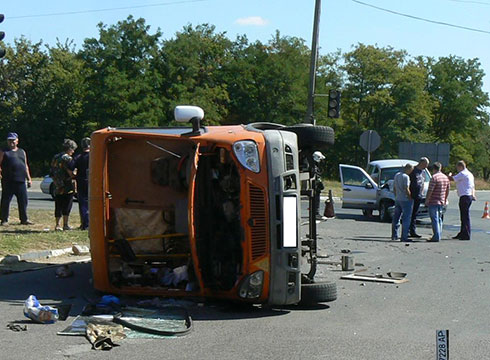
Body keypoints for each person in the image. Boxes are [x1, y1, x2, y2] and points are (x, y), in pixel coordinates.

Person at [0, 132, 34, 226]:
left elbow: (25, 165)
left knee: (23, 201)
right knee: (6, 200)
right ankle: (4, 219)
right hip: (8, 180)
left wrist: (29, 178)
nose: (11, 142)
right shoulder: (3, 151)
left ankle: (24, 219)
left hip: (21, 180)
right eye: (9, 140)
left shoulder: (22, 151)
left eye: (13, 140)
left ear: (17, 141)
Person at [51, 139, 77, 231]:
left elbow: (52, 172)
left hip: (57, 185)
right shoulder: (68, 159)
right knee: (67, 205)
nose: (73, 152)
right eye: (73, 149)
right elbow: (71, 172)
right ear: (69, 149)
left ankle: (57, 225)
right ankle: (65, 224)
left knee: (58, 205)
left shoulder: (56, 157)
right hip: (67, 185)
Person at [448, 160, 476, 240]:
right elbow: (472, 186)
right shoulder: (469, 174)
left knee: (465, 216)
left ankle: (466, 234)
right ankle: (462, 232)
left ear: (460, 166)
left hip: (465, 196)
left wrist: (449, 175)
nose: (457, 169)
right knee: (463, 216)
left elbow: (451, 178)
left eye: (457, 167)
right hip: (468, 196)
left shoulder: (463, 173)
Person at [425, 162, 450, 242]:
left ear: (433, 169)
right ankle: (439, 234)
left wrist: (427, 199)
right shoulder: (445, 177)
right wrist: (445, 199)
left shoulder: (434, 178)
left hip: (433, 201)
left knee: (434, 219)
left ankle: (436, 236)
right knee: (439, 218)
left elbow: (430, 190)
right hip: (441, 201)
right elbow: (447, 189)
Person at [392, 163, 414, 242]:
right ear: (408, 169)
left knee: (396, 217)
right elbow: (406, 188)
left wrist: (396, 195)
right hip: (405, 199)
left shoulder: (397, 175)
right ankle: (404, 237)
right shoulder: (406, 177)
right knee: (406, 218)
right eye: (411, 170)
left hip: (398, 198)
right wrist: (410, 198)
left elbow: (394, 187)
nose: (411, 172)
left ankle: (394, 235)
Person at [408, 157, 429, 238]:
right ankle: (409, 231)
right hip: (411, 196)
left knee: (415, 214)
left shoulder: (422, 172)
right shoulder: (413, 171)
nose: (427, 166)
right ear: (422, 163)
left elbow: (423, 182)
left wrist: (422, 191)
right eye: (426, 164)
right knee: (410, 214)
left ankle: (413, 231)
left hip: (419, 195)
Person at [74, 137, 90, 230]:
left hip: (81, 180)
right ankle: (90, 223)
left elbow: (72, 166)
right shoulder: (94, 156)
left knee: (83, 204)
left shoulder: (78, 157)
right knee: (92, 203)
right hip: (92, 181)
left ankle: (84, 224)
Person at [312, 151, 326, 220]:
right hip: (315, 186)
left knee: (316, 200)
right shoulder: (314, 166)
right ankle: (316, 214)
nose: (321, 161)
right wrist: (320, 183)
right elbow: (316, 176)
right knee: (316, 200)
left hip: (316, 185)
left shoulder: (314, 165)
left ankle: (315, 213)